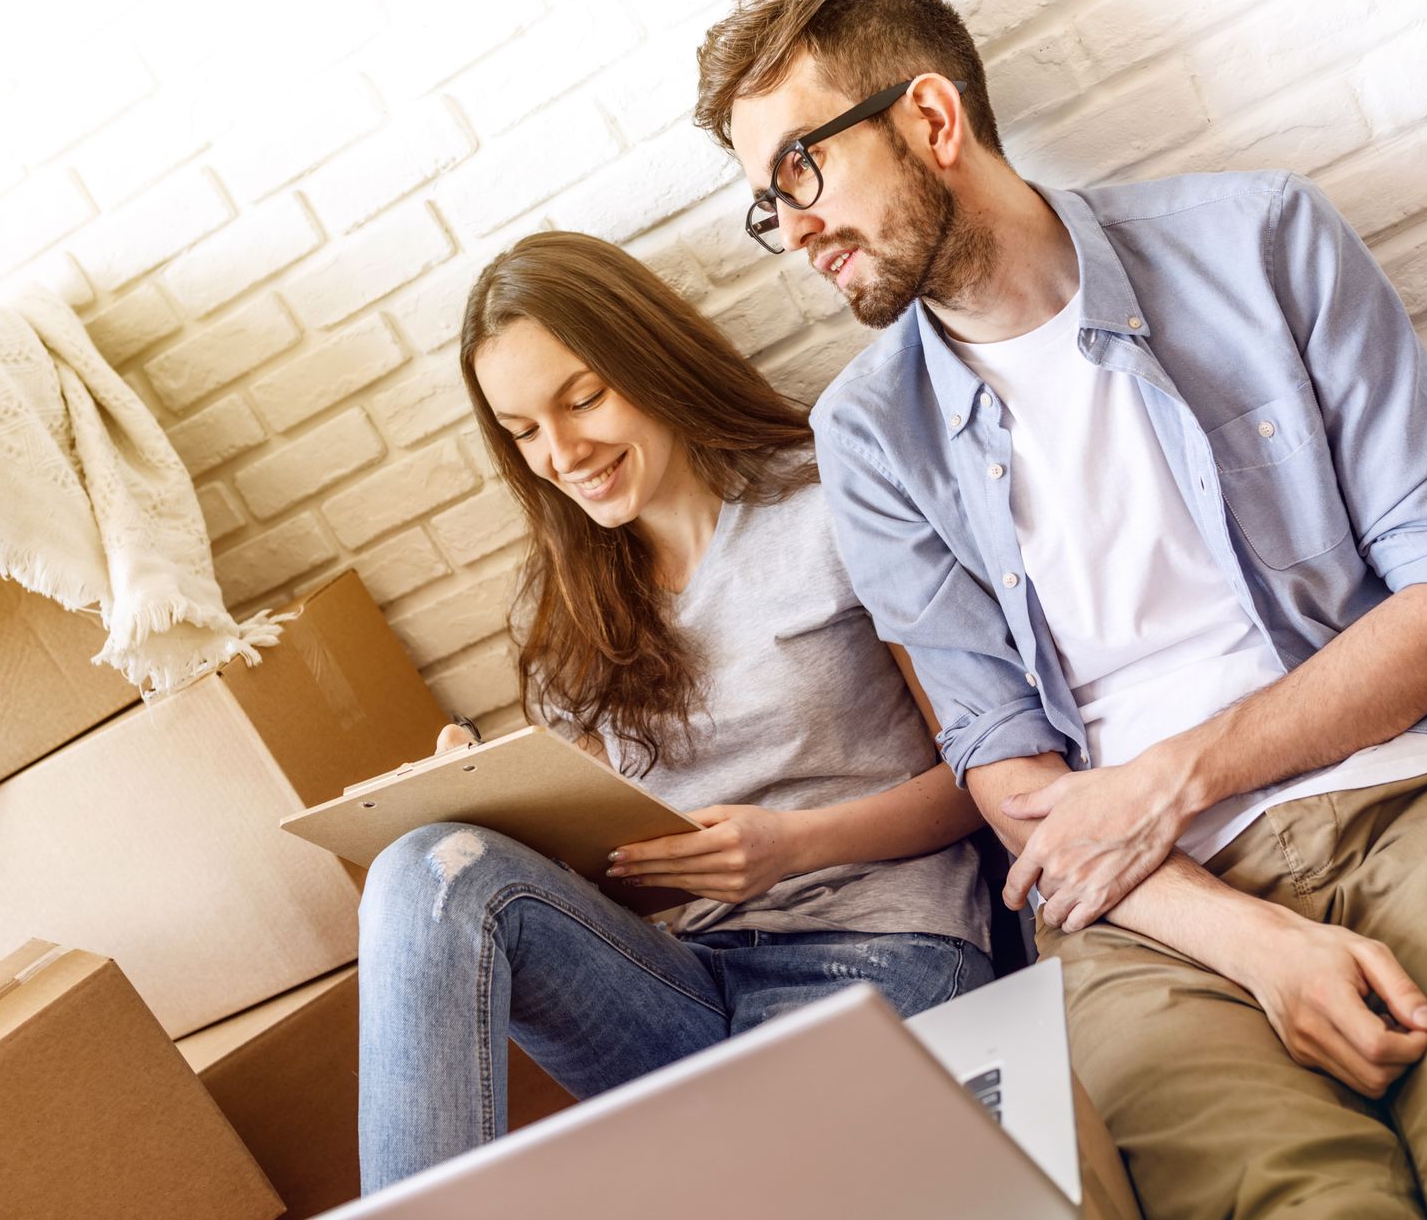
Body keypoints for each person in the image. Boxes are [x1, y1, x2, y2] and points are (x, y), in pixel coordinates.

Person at [694, 0, 1427, 1219]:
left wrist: (1178, 775)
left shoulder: (1259, 241)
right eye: (763, 203)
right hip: (1140, 910)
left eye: (802, 169)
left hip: (1419, 789)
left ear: (933, 120)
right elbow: (1004, 765)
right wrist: (1251, 940)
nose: (789, 229)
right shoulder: (869, 434)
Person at [354, 230, 997, 1191]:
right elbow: (618, 873)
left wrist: (794, 845)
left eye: (581, 400)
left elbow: (990, 772)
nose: (563, 455)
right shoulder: (563, 607)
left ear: (645, 357)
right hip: (685, 979)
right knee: (426, 870)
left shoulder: (829, 506)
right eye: (525, 432)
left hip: (883, 950)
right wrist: (494, 806)